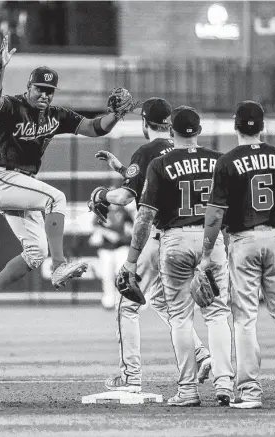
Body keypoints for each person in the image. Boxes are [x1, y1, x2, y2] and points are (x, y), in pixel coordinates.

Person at [0, 33, 137, 328]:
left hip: (21, 185)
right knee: (55, 198)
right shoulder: (14, 107)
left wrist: (115, 115)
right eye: (40, 89)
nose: (45, 95)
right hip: (3, 179)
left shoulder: (56, 115)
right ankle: (59, 265)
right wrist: (0, 68)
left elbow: (95, 128)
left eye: (50, 91)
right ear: (29, 87)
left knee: (35, 254)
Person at [91, 98, 212, 393]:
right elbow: (151, 183)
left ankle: (130, 377)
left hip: (156, 238)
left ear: (145, 123)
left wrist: (101, 193)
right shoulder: (180, 149)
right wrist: (122, 169)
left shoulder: (147, 151)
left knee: (126, 306)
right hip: (187, 238)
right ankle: (202, 354)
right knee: (159, 300)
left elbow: (123, 198)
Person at [201, 100, 275, 409]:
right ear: (262, 127)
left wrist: (206, 253)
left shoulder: (227, 161)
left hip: (243, 241)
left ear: (235, 126)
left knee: (245, 319)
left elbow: (215, 213)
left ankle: (250, 391)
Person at [118, 106, 234, 406]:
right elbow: (228, 209)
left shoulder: (160, 163)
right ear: (198, 132)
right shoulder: (218, 160)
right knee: (218, 314)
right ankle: (224, 384)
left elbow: (144, 216)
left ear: (172, 131)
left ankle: (188, 391)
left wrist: (131, 260)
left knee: (181, 318)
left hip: (176, 240)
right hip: (212, 238)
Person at [88, 202, 134, 310]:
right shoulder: (101, 211)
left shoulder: (124, 212)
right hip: (106, 248)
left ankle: (122, 300)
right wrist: (107, 233)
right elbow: (95, 227)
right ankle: (108, 300)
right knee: (107, 275)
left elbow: (130, 229)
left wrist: (123, 235)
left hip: (121, 247)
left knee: (121, 273)